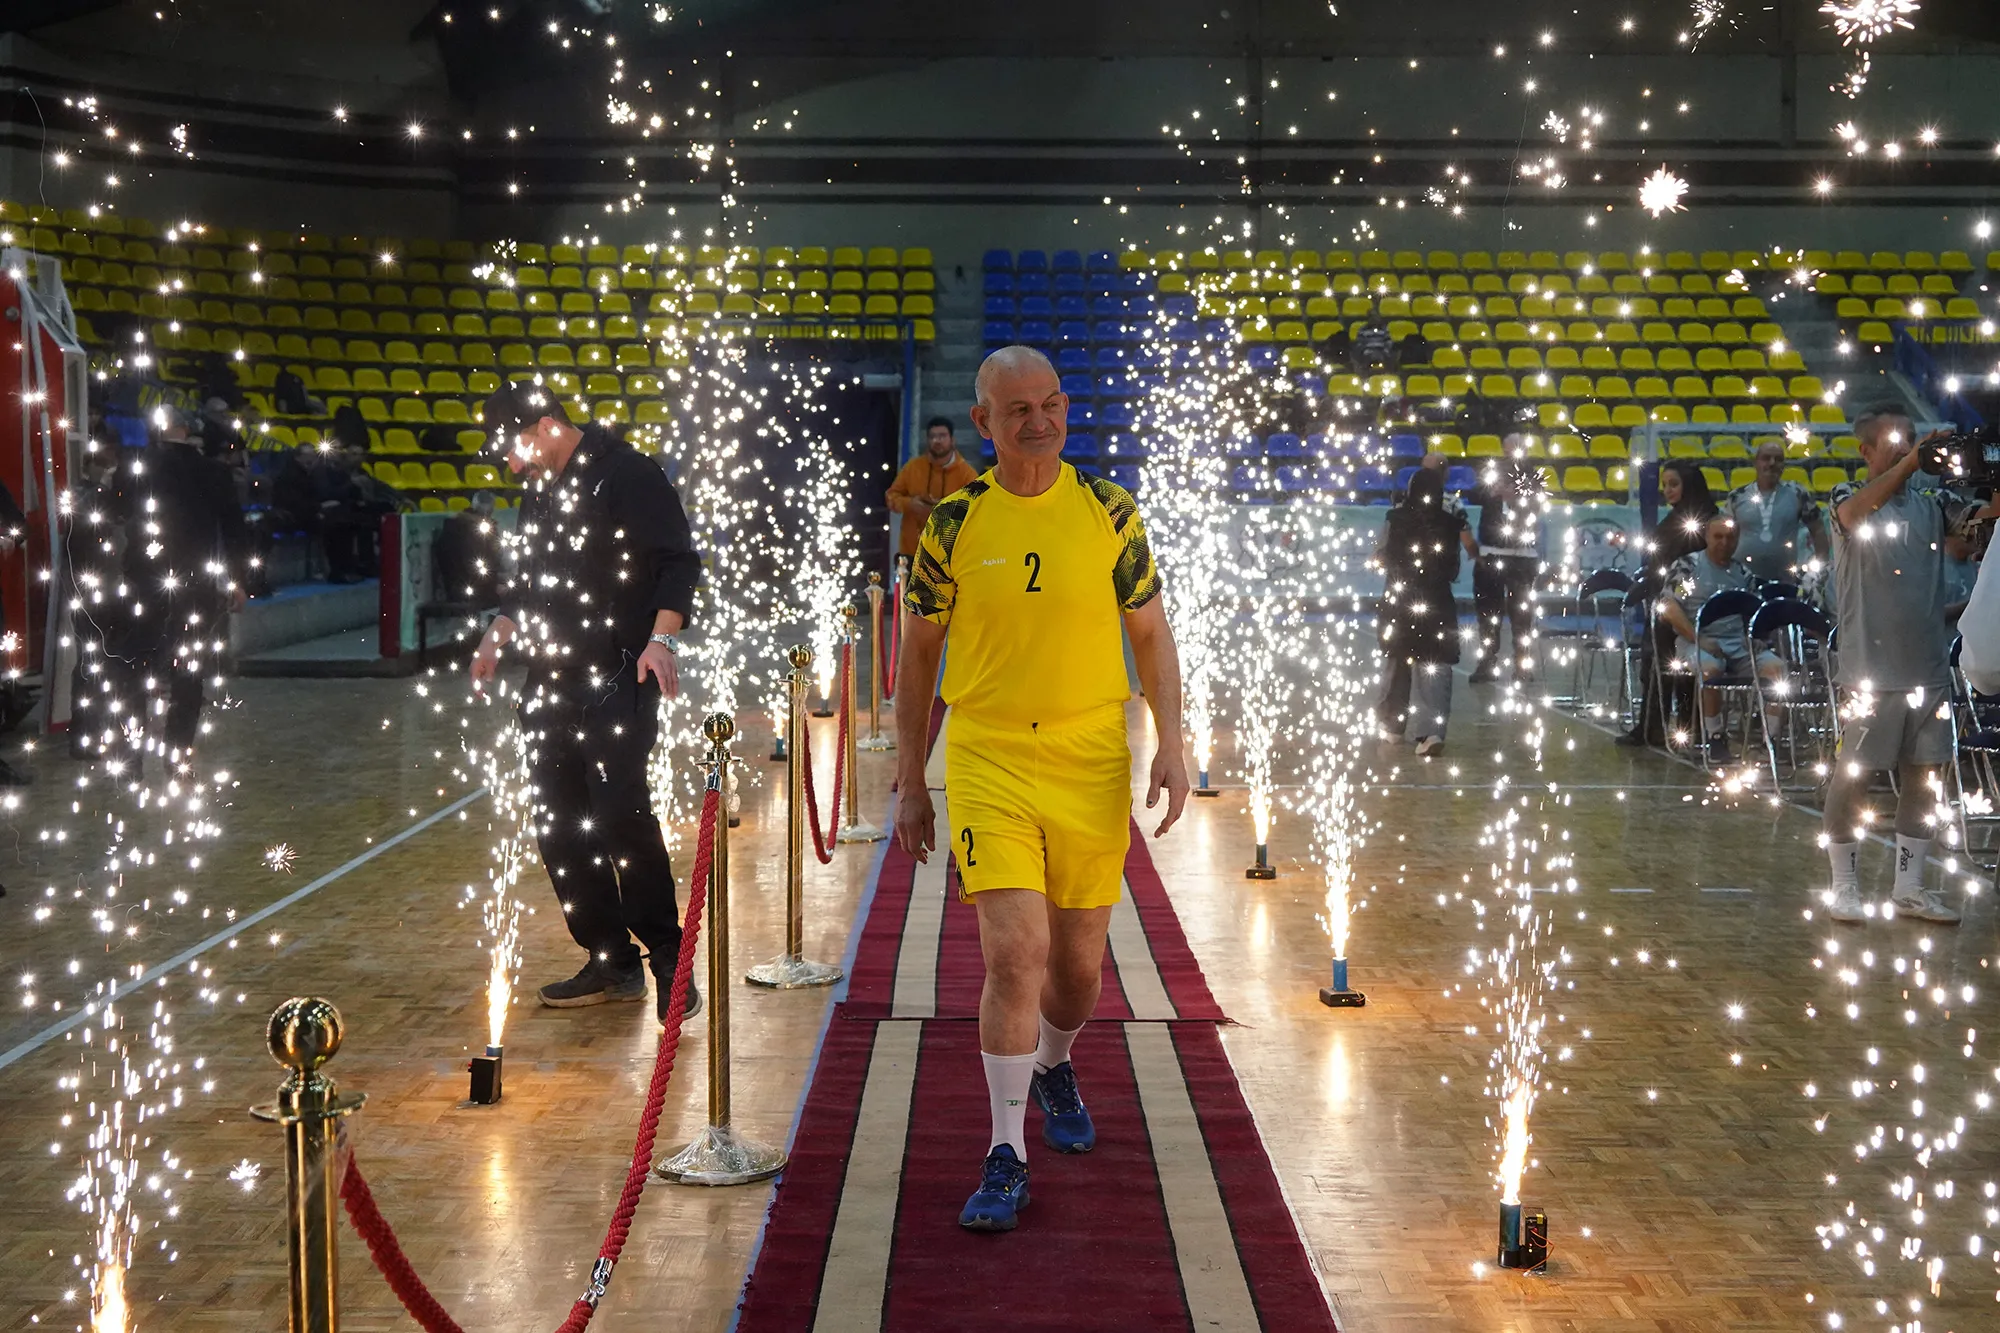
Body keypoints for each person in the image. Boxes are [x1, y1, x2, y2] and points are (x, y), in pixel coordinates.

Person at [894, 345, 1189, 1234]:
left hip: (1089, 753)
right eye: (1018, 409)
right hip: (987, 753)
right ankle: (1006, 1150)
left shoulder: (1110, 510)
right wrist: (912, 779)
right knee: (1015, 951)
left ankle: (1055, 1061)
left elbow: (1151, 633)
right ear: (983, 422)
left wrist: (1172, 743)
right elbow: (917, 653)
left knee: (1077, 967)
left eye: (1051, 402)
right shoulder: (953, 523)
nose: (1040, 420)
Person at [471, 383, 704, 1024]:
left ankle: (668, 958)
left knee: (620, 816)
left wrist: (661, 640)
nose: (511, 465)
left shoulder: (630, 474)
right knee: (559, 823)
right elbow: (528, 584)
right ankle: (609, 957)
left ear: (545, 424)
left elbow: (678, 565)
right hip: (549, 679)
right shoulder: (539, 491)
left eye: (515, 448)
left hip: (618, 674)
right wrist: (497, 634)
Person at [1820, 407, 1994, 925]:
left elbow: (1984, 528)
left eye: (1912, 440)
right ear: (1865, 451)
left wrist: (1991, 475)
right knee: (1853, 777)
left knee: (1926, 778)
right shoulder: (1845, 495)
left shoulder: (1934, 504)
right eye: (1895, 440)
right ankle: (1843, 884)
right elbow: (1853, 515)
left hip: (1928, 668)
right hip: (1867, 671)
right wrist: (1910, 464)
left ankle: (1909, 888)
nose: (1908, 448)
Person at [89, 403, 250, 771]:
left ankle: (129, 754)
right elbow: (235, 532)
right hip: (197, 580)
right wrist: (237, 581)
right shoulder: (214, 472)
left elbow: (114, 514)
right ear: (187, 431)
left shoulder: (135, 467)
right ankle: (178, 754)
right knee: (188, 669)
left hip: (144, 578)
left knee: (132, 662)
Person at [1659, 514, 1784, 763]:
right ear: (1706, 536)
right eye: (1718, 536)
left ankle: (1770, 741)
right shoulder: (1689, 569)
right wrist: (1699, 640)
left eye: (1730, 537)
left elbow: (1755, 612)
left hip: (1739, 644)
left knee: (1777, 669)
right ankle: (1715, 737)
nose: (1724, 543)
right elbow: (1669, 607)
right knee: (1711, 669)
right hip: (1697, 642)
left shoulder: (1742, 573)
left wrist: (1757, 636)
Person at [1617, 460, 1718, 747]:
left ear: (1689, 485)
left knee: (1684, 670)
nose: (1668, 490)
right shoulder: (1674, 520)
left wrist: (1676, 596)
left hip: (1690, 609)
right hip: (1663, 606)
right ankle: (1652, 728)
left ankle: (1687, 729)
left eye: (1674, 484)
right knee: (1657, 668)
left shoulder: (1706, 522)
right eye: (1665, 485)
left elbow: (1699, 569)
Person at [1376, 465, 1474, 755]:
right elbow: (1453, 570)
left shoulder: (1394, 519)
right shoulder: (1450, 524)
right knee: (1436, 665)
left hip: (1400, 601)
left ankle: (1393, 727)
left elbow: (1382, 557)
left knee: (1397, 662)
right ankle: (1432, 733)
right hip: (1437, 603)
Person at [1466, 453, 1544, 684]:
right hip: (1491, 558)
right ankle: (1488, 662)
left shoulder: (1530, 498)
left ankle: (1522, 664)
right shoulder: (1490, 494)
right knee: (1488, 615)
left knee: (1522, 615)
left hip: (1522, 560)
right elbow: (1472, 493)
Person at [1727, 440, 1829, 583]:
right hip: (1742, 579)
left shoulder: (1798, 494)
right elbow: (1724, 534)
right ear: (1756, 462)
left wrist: (1821, 568)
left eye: (1778, 459)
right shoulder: (1737, 496)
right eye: (1766, 458)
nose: (1772, 463)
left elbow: (1818, 530)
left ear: (1784, 466)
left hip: (1785, 580)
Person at [886, 416, 979, 561]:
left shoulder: (967, 475)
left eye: (942, 436)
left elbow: (977, 510)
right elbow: (891, 496)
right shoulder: (913, 468)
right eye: (932, 437)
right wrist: (909, 504)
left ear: (952, 440)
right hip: (912, 553)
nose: (937, 441)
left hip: (951, 556)